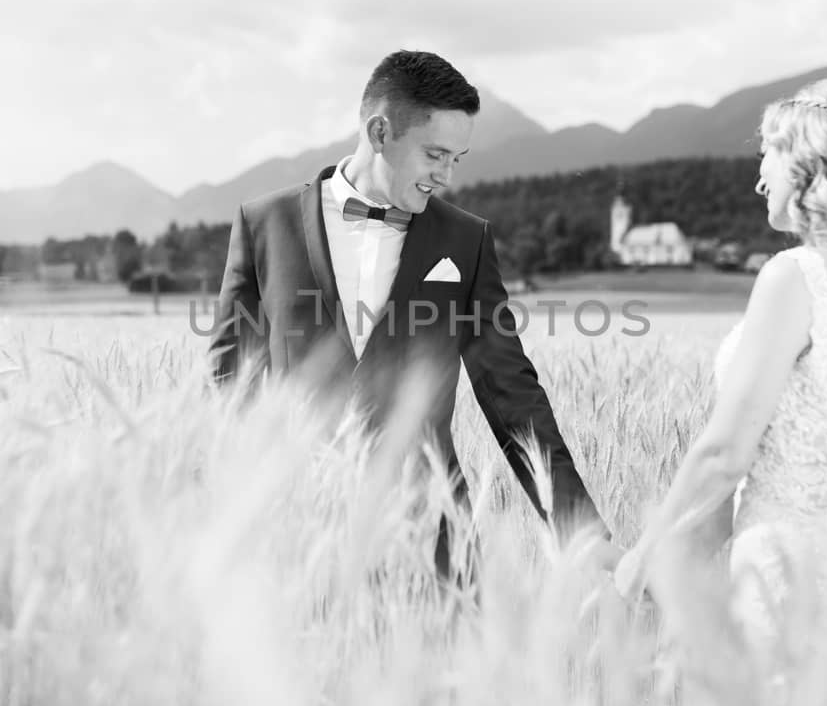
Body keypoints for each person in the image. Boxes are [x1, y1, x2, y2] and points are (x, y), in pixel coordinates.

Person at [209, 50, 617, 586]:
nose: (446, 176)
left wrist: (577, 526)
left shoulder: (466, 241)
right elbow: (228, 390)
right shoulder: (263, 224)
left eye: (457, 158)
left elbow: (511, 392)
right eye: (434, 155)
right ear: (380, 132)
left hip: (435, 539)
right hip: (299, 538)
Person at [613, 77, 827, 664]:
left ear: (808, 159)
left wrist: (643, 559)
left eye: (766, 154)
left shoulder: (796, 275)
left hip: (786, 575)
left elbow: (726, 456)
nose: (758, 177)